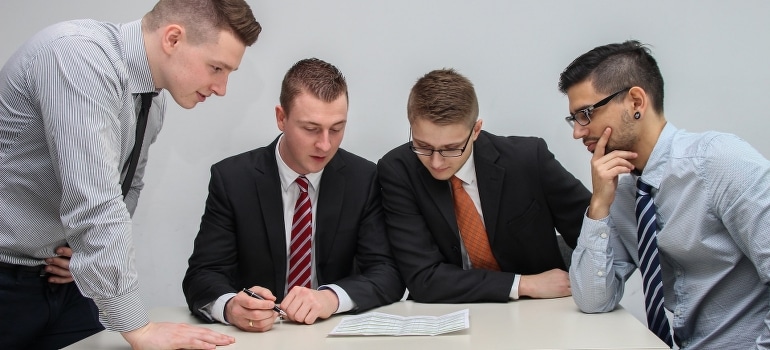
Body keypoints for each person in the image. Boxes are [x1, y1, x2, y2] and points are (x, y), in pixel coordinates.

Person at [0, 0, 261, 348]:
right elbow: (96, 203)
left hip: (63, 282)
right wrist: (140, 328)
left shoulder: (152, 100)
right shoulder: (77, 56)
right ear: (173, 38)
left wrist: (83, 256)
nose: (221, 88)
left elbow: (127, 186)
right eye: (216, 68)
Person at [560, 40, 770, 349]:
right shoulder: (621, 190)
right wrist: (599, 205)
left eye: (587, 114)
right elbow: (593, 300)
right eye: (574, 118)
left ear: (635, 102)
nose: (578, 131)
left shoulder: (720, 162)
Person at [182, 58, 405, 332]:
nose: (325, 144)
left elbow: (387, 273)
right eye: (310, 129)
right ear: (281, 118)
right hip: (258, 338)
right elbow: (202, 275)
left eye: (336, 129)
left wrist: (330, 298)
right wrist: (231, 307)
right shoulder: (232, 180)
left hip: (330, 334)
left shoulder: (363, 179)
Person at [377, 68, 590, 303]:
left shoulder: (528, 160)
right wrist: (523, 284)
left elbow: (594, 237)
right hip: (448, 313)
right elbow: (423, 278)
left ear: (476, 130)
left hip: (541, 311)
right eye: (423, 146)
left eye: (451, 148)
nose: (436, 162)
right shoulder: (398, 170)